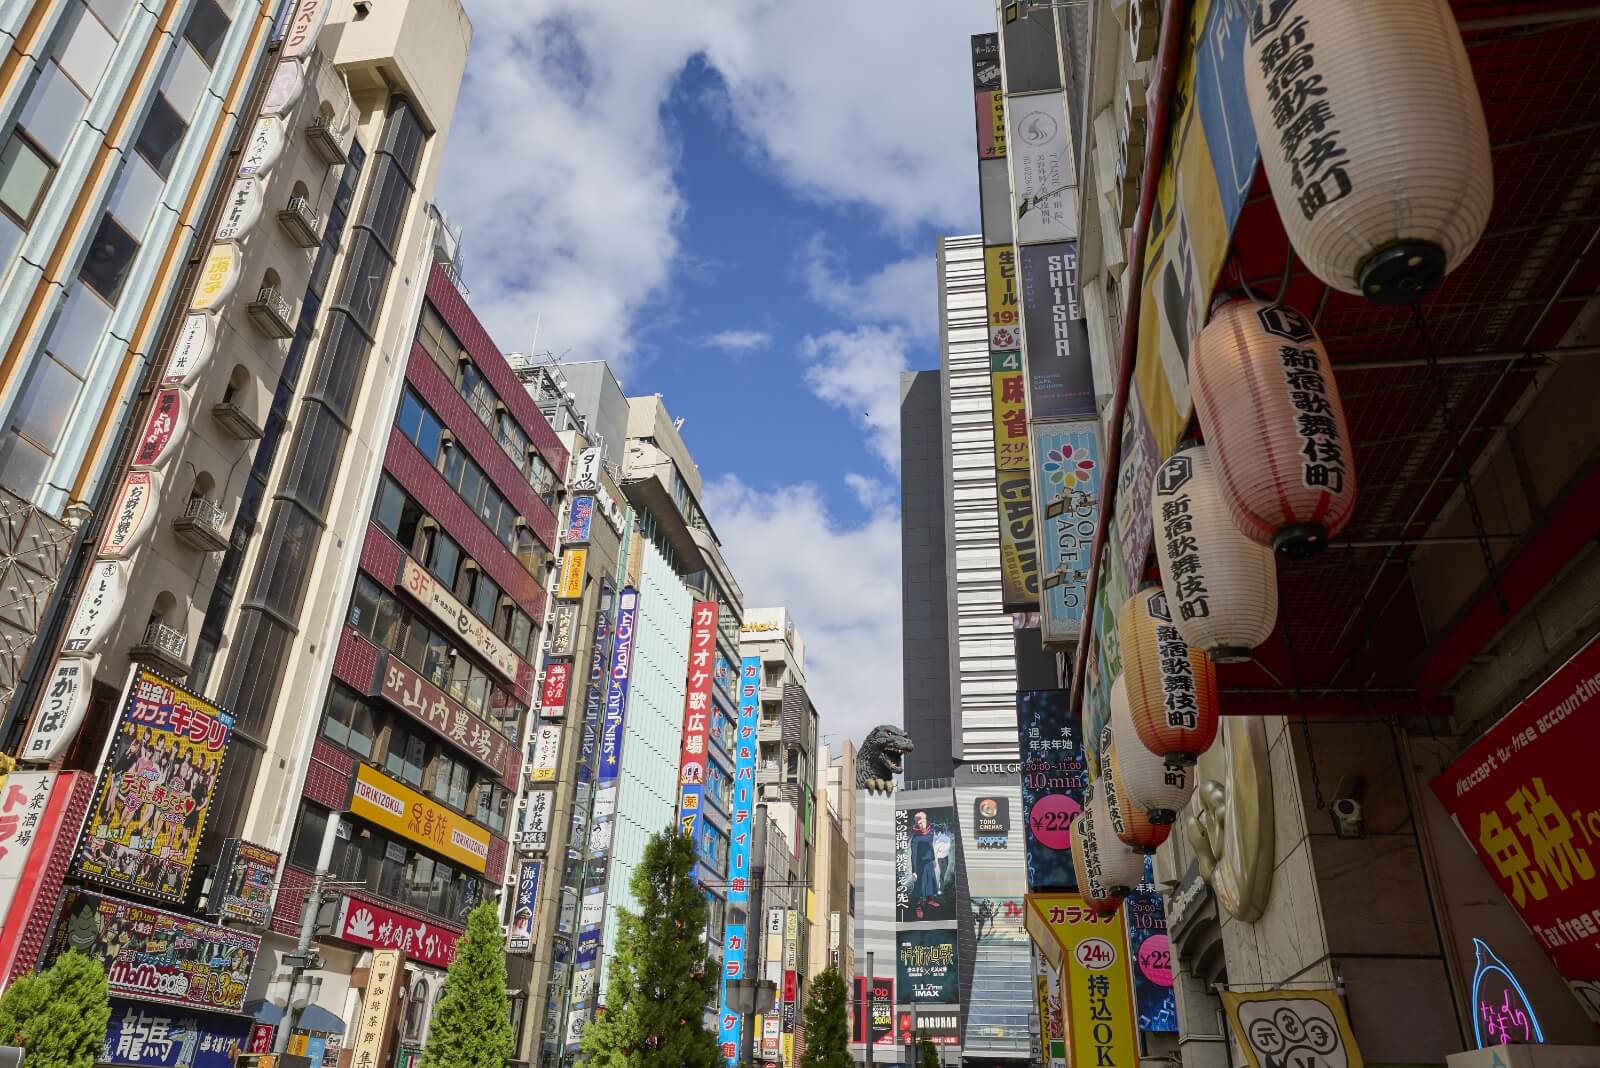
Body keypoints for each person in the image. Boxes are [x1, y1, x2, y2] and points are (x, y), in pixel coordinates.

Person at [908, 811, 944, 919]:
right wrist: (914, 871)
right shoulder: (915, 838)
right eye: (918, 823)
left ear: (926, 820)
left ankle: (929, 900)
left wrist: (933, 859)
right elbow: (913, 855)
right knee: (919, 886)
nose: (920, 824)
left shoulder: (930, 832)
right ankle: (918, 905)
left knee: (930, 881)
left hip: (929, 862)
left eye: (922, 822)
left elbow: (930, 846)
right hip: (919, 865)